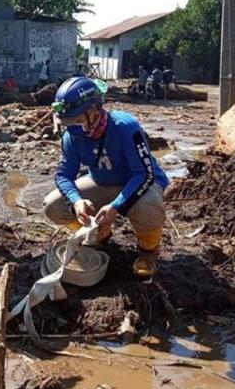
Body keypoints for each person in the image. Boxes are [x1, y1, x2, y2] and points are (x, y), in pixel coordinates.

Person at [43, 76, 170, 278]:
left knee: (148, 206)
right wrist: (76, 201)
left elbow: (144, 174)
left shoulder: (125, 127)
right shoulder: (72, 136)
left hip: (138, 182)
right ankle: (98, 236)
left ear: (93, 111)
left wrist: (116, 206)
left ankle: (148, 252)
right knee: (53, 206)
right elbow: (63, 175)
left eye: (77, 120)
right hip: (101, 182)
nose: (72, 127)